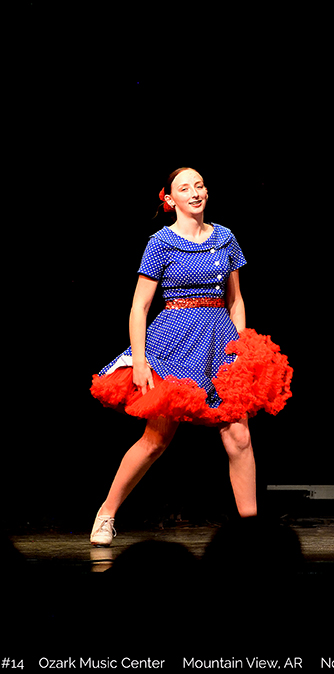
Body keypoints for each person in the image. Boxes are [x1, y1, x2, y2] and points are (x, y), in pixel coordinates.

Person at [89, 167, 292, 547]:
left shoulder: (226, 238)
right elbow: (139, 306)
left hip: (220, 344)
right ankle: (106, 512)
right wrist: (140, 361)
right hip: (174, 345)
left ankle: (252, 534)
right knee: (156, 439)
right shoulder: (160, 243)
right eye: (185, 188)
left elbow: (235, 300)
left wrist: (242, 350)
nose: (195, 192)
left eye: (199, 185)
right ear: (170, 199)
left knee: (239, 437)